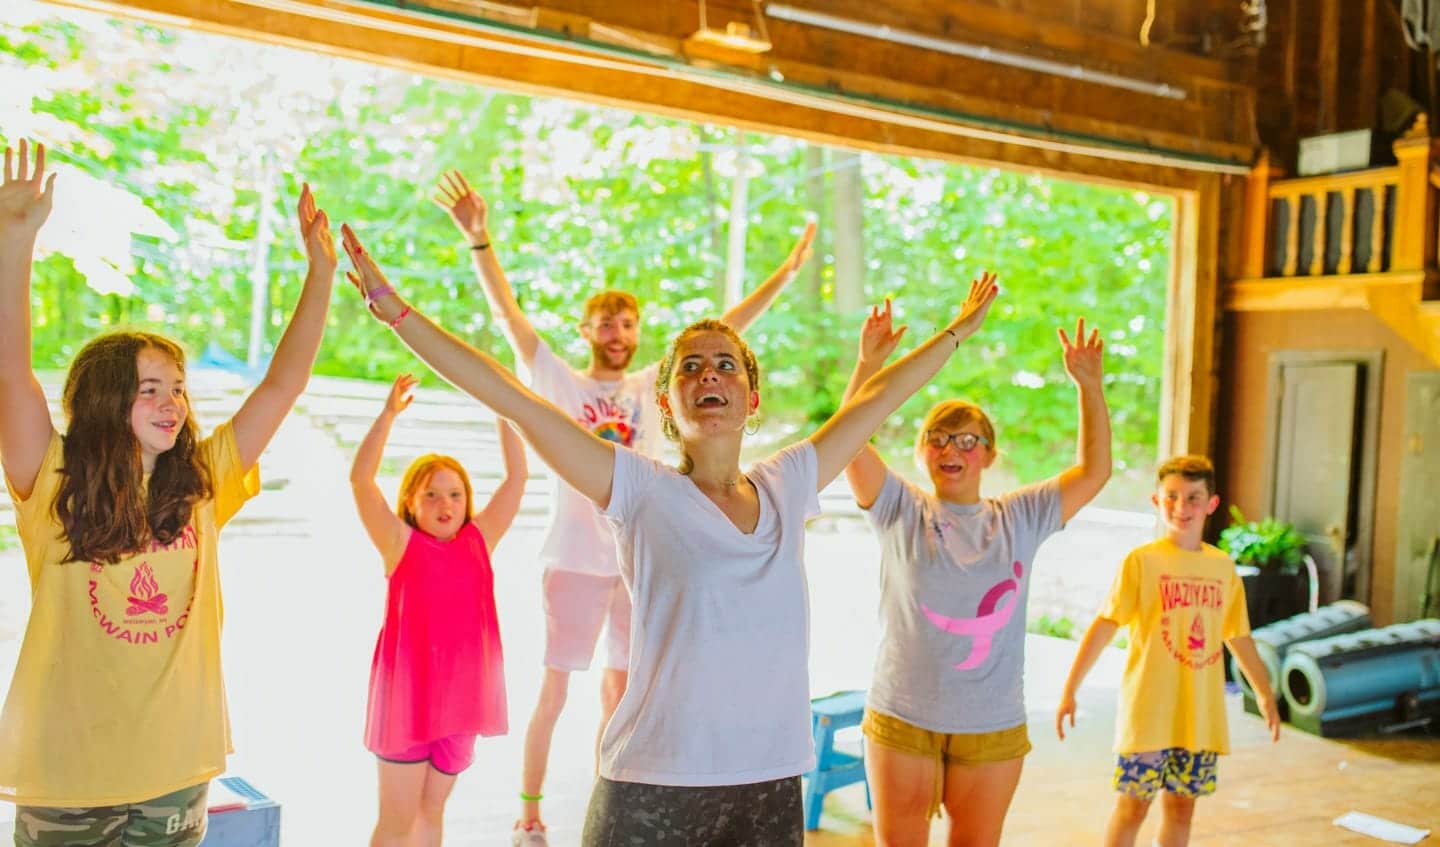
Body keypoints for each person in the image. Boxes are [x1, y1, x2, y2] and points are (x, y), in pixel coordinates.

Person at [338, 219, 999, 845]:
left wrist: (957, 333)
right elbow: (510, 393)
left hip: (768, 780)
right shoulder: (638, 486)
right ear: (663, 403)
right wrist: (395, 310)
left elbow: (876, 400)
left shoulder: (789, 479)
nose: (708, 371)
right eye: (689, 365)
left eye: (726, 364)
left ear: (752, 397)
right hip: (651, 781)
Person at [431, 169, 815, 844]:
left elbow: (728, 331)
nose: (618, 329)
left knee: (625, 689)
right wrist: (481, 241)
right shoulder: (562, 379)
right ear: (586, 328)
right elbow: (509, 323)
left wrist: (784, 273)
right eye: (606, 320)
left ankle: (621, 788)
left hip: (646, 564)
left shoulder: (656, 383)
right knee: (554, 689)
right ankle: (529, 805)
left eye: (628, 320)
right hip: (576, 560)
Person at [0, 140, 336, 846]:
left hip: (174, 769)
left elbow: (283, 384)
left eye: (177, 388)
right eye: (149, 388)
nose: (172, 402)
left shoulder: (203, 483)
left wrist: (321, 271)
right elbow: (12, 377)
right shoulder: (53, 480)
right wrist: (16, 239)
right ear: (104, 401)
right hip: (67, 770)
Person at [841, 300, 1113, 847]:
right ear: (921, 452)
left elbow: (1094, 471)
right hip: (902, 714)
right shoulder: (900, 506)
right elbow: (849, 441)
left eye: (969, 440)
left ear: (988, 456)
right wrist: (867, 365)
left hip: (990, 723)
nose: (952, 448)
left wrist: (1088, 384)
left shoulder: (1020, 516)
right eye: (939, 438)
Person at [1055, 455, 1282, 847]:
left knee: (1181, 810)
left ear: (1211, 504)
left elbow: (1238, 637)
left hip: (1199, 716)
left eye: (1194, 498)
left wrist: (1264, 693)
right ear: (1156, 501)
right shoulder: (1142, 562)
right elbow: (1105, 624)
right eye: (1172, 497)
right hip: (1147, 714)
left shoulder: (1223, 568)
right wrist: (1070, 688)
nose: (1182, 507)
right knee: (1133, 807)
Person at [350, 373, 528, 847]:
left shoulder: (479, 540)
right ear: (410, 501)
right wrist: (388, 415)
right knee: (397, 819)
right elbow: (361, 480)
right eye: (430, 493)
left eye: (454, 493)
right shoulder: (399, 543)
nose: (444, 503)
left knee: (431, 812)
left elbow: (517, 477)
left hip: (461, 701)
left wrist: (502, 407)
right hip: (407, 699)